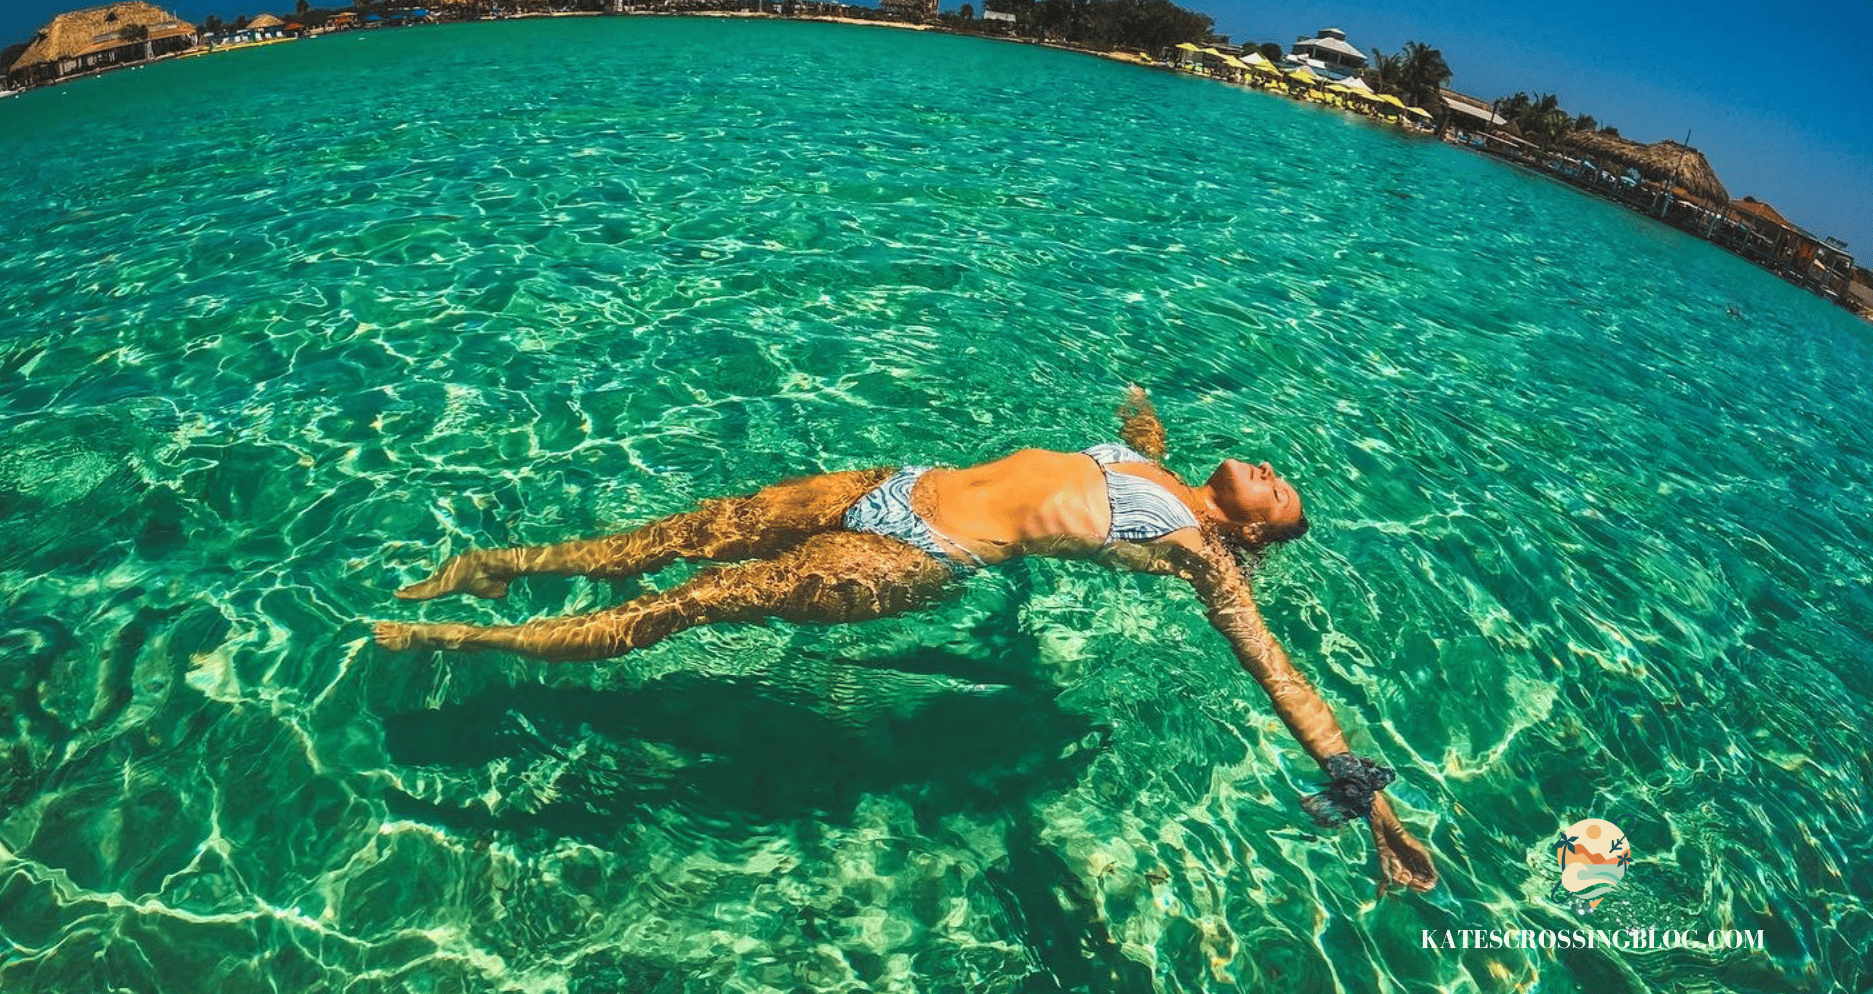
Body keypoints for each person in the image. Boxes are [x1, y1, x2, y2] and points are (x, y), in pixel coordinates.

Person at [373, 387, 1438, 893]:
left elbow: (1276, 673)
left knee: (694, 602)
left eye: (1280, 494)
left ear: (1251, 531)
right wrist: (1143, 421)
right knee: (672, 537)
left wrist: (1366, 795)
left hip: (914, 558)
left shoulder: (1205, 555)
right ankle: (503, 569)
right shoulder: (1161, 469)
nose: (1274, 470)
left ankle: (464, 635)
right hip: (892, 485)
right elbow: (1113, 463)